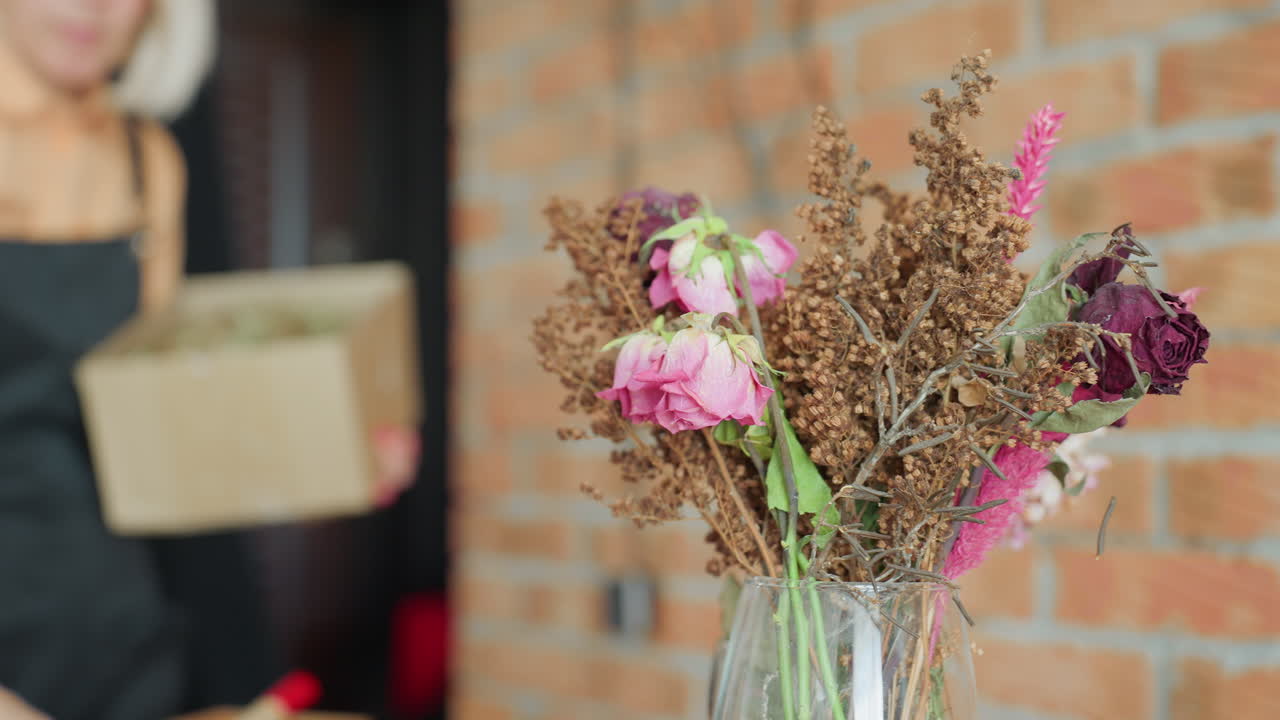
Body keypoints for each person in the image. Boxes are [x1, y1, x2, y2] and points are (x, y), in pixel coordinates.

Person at [0, 1, 417, 717]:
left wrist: (333, 444)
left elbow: (160, 421)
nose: (93, 8)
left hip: (128, 635)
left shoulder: (149, 163)